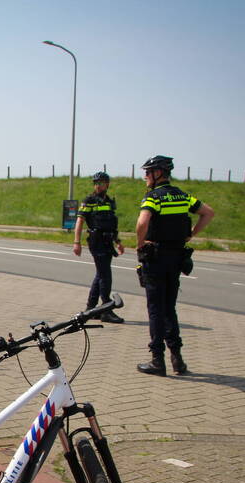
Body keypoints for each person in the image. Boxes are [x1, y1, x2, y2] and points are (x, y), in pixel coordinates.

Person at [135, 155, 214, 376]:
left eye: (148, 172)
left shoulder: (154, 197)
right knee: (170, 308)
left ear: (159, 172)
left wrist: (140, 245)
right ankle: (178, 361)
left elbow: (142, 222)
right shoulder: (183, 196)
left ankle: (157, 361)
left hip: (156, 258)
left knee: (155, 310)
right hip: (176, 258)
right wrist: (190, 234)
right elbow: (208, 213)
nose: (145, 176)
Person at [73, 171, 124, 323]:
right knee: (105, 276)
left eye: (101, 182)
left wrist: (118, 241)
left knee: (100, 275)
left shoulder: (108, 201)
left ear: (107, 184)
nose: (98, 185)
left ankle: (91, 309)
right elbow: (80, 221)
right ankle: (106, 310)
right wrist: (77, 242)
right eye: (95, 183)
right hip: (96, 242)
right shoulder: (89, 200)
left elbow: (111, 224)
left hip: (108, 242)